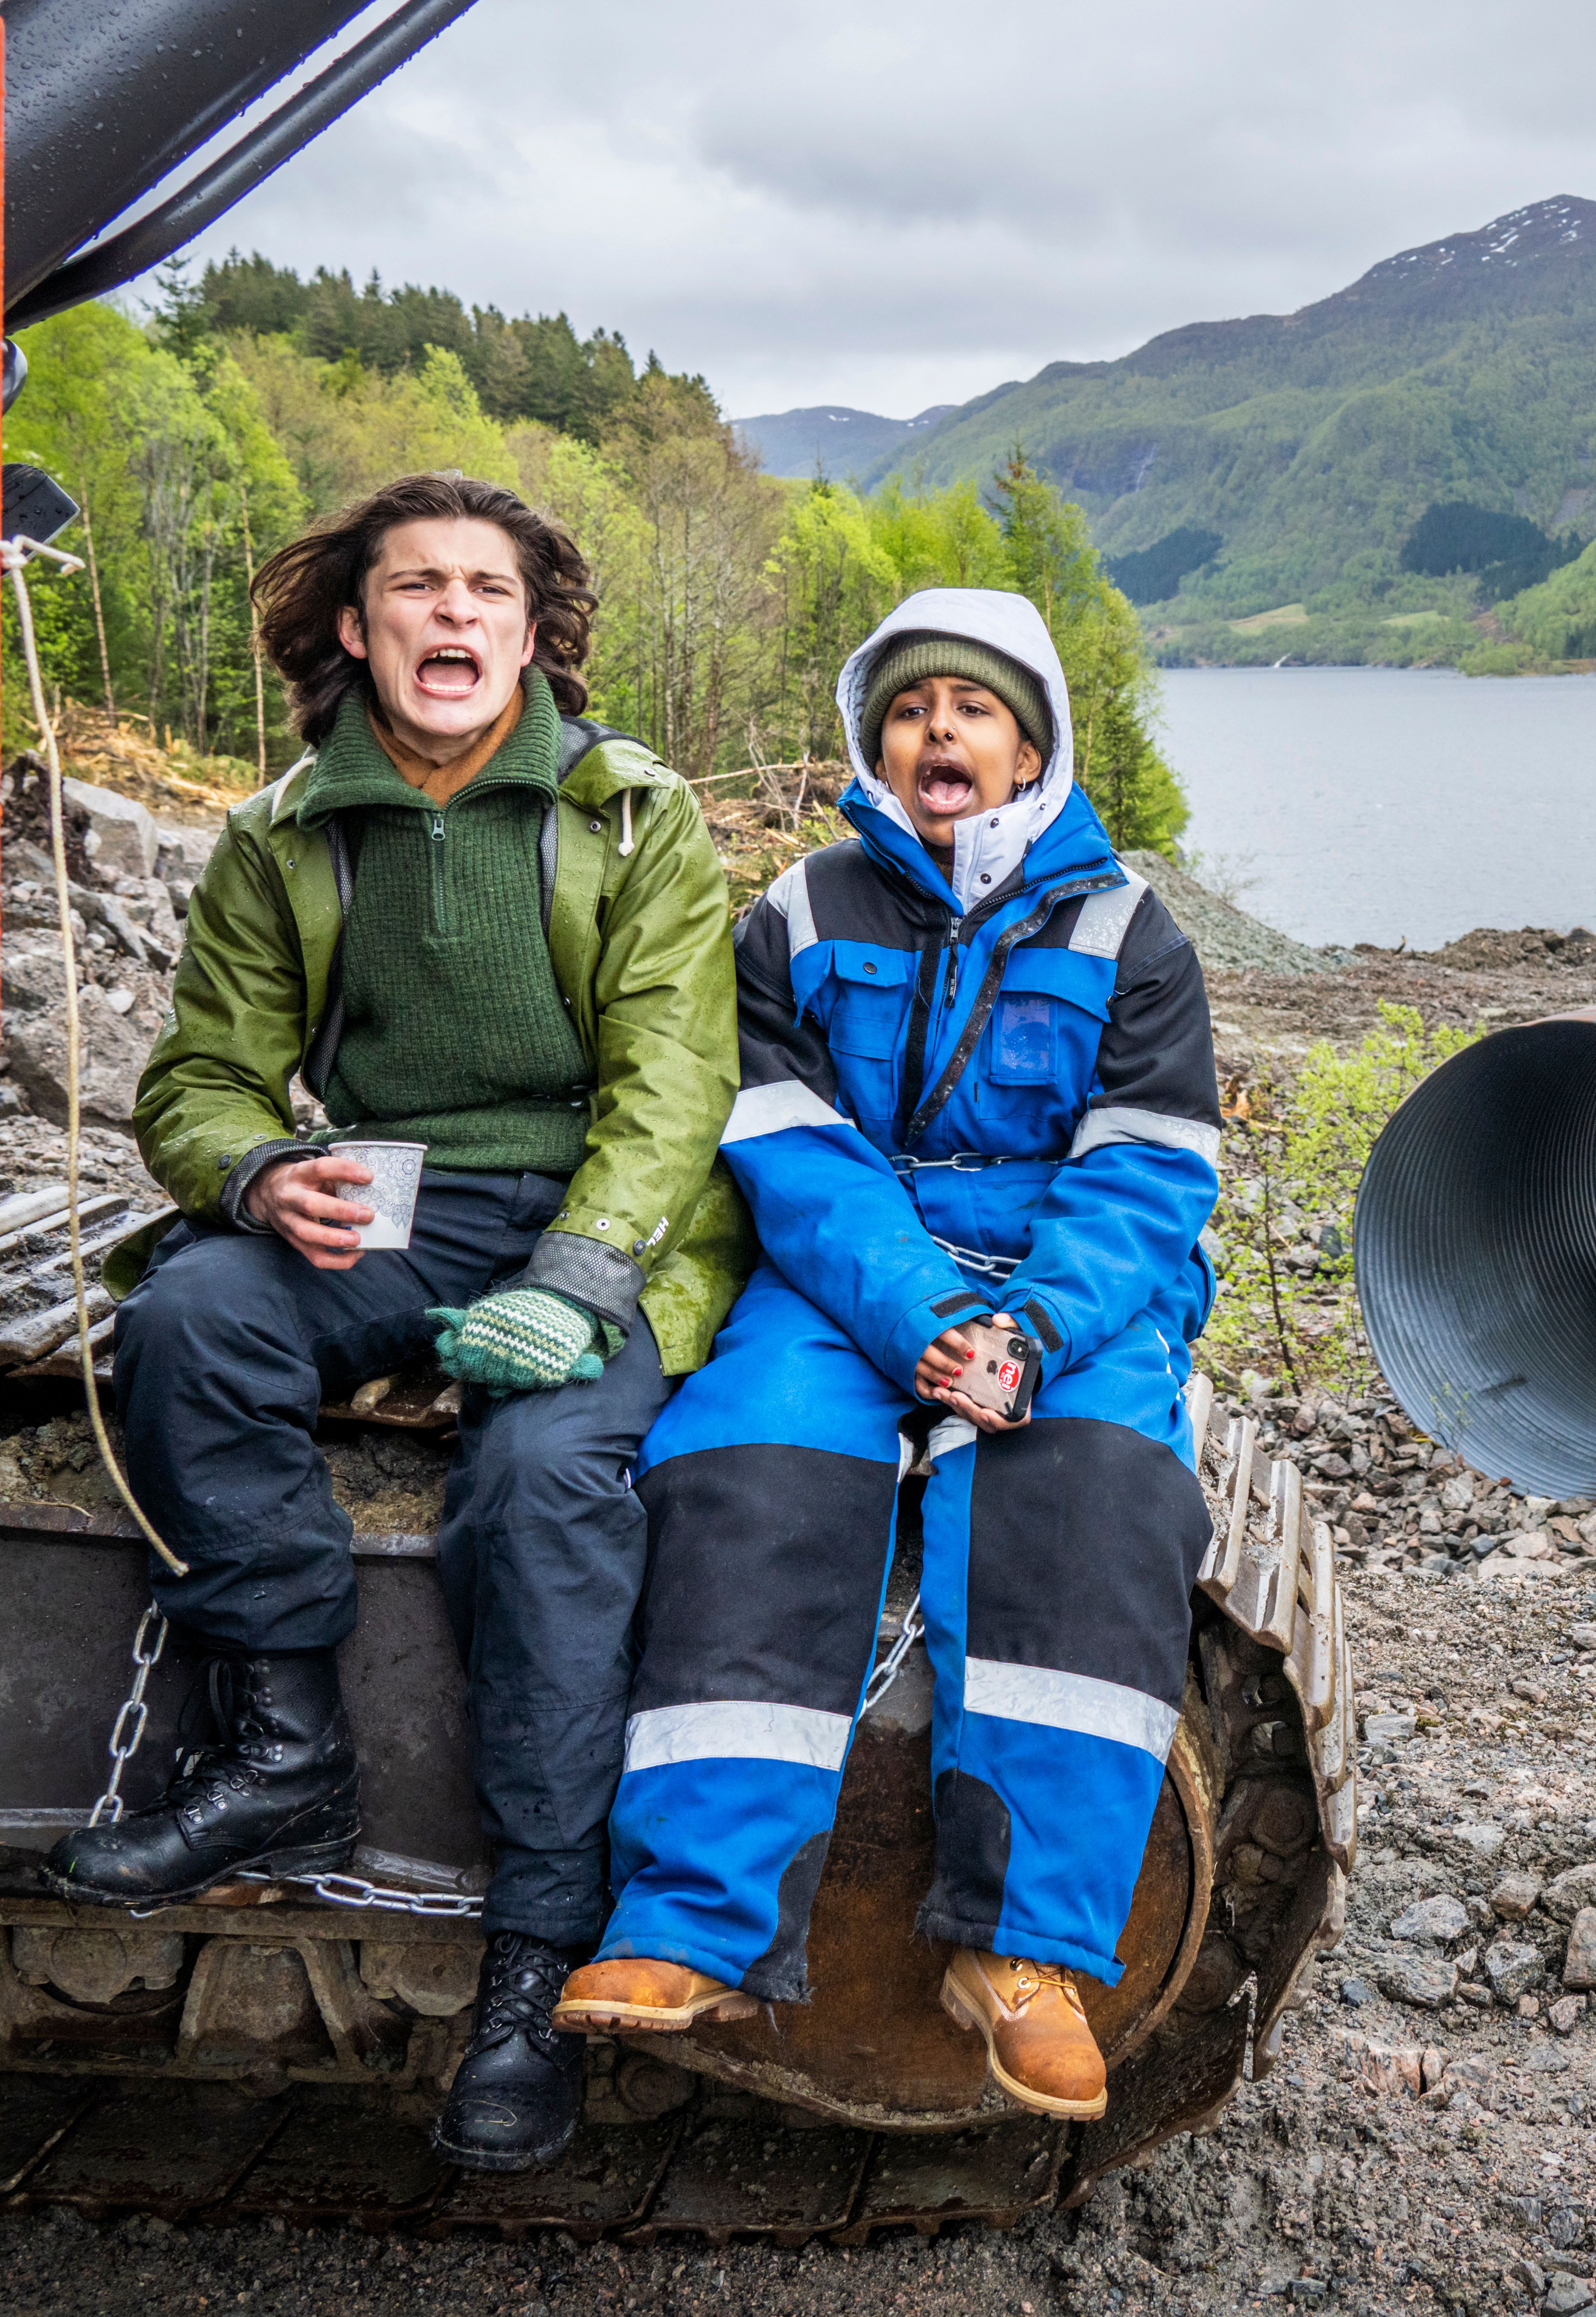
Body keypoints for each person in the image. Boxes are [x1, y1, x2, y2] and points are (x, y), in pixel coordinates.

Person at [47, 473, 744, 2171]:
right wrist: (261, 1168)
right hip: (392, 1209)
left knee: (542, 1486)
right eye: (414, 589)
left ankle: (538, 1941)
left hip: (598, 1217)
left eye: (480, 591)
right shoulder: (288, 830)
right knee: (192, 1319)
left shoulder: (634, 815)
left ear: (532, 631)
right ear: (358, 630)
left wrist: (584, 1273)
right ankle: (285, 1749)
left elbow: (679, 1076)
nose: (448, 615)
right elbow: (200, 1076)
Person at [549, 589, 1221, 2121]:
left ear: (1032, 741)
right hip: (856, 1273)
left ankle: (1024, 1953)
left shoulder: (1129, 930)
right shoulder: (797, 909)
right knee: (745, 1461)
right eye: (913, 707)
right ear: (874, 736)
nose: (940, 732)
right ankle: (691, 1918)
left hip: (1074, 1292)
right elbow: (786, 1142)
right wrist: (920, 1317)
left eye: (974, 708)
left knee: (1097, 1491)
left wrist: (1031, 1328)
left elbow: (1145, 1171)